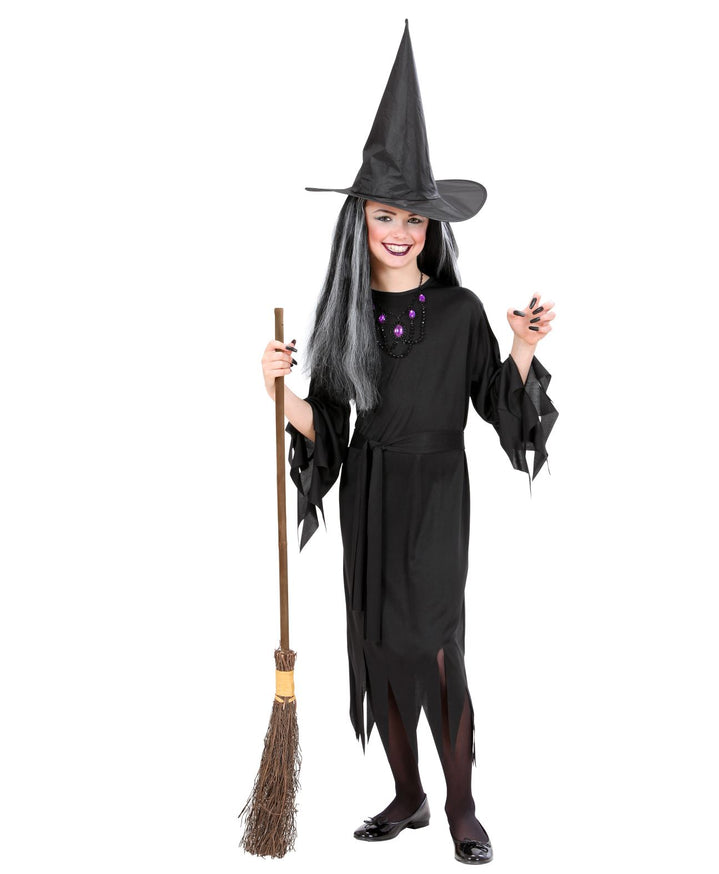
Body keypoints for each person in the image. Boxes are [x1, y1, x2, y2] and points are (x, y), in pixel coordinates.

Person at [260, 22, 557, 866]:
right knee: (380, 643)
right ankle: (407, 795)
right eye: (385, 214)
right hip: (369, 492)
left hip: (435, 495)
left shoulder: (459, 311)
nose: (401, 230)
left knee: (434, 645)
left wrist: (522, 348)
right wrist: (279, 392)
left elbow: (501, 407)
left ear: (431, 226)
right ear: (359, 220)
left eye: (414, 218)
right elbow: (328, 428)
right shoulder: (342, 318)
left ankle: (462, 806)